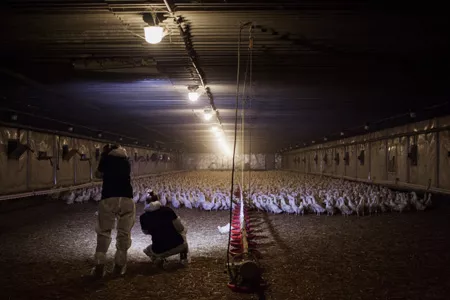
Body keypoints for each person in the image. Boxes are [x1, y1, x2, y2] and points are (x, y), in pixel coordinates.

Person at [92, 144, 135, 277]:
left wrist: (101, 158)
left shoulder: (106, 159)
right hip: (127, 198)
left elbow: (98, 175)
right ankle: (120, 266)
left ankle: (99, 266)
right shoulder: (126, 161)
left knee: (104, 231)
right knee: (124, 233)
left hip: (109, 197)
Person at [140, 195, 189, 266]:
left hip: (158, 250)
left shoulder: (143, 217)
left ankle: (158, 258)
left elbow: (146, 232)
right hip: (178, 245)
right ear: (158, 200)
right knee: (183, 230)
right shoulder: (168, 210)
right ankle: (183, 258)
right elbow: (180, 228)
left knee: (147, 250)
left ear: (146, 203)